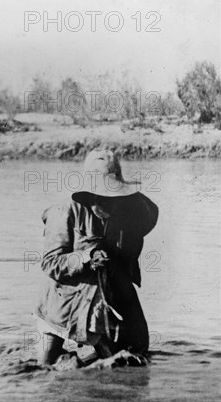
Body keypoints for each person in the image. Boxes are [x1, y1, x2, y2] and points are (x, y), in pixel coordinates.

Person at [35, 149, 159, 365]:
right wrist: (86, 257)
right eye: (103, 191)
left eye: (113, 191)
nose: (108, 199)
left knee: (134, 356)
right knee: (44, 370)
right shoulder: (65, 210)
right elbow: (50, 262)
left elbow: (148, 215)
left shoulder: (125, 209)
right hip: (61, 303)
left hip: (101, 300)